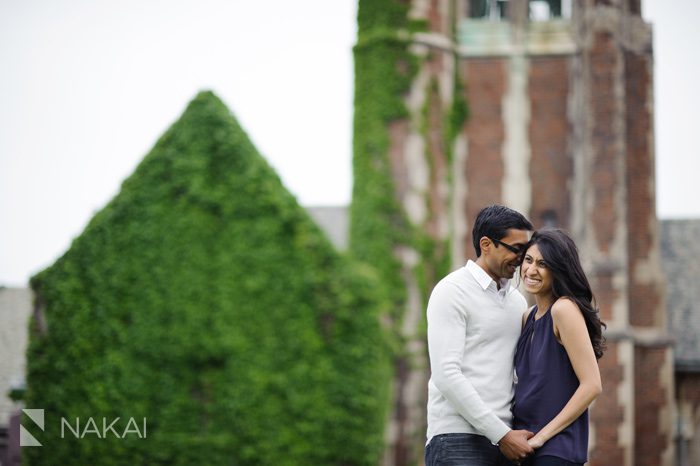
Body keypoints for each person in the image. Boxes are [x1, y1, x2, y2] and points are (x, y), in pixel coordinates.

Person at [425, 204, 536, 466]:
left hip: (505, 442)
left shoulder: (517, 302)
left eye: (526, 250)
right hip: (456, 439)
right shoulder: (452, 291)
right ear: (486, 244)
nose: (522, 259)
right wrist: (502, 434)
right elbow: (446, 374)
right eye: (516, 249)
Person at [513, 228, 605, 466]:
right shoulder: (527, 317)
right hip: (526, 450)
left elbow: (592, 385)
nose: (531, 270)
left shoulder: (563, 309)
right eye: (528, 260)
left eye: (543, 264)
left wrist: (542, 437)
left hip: (556, 450)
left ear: (558, 270)